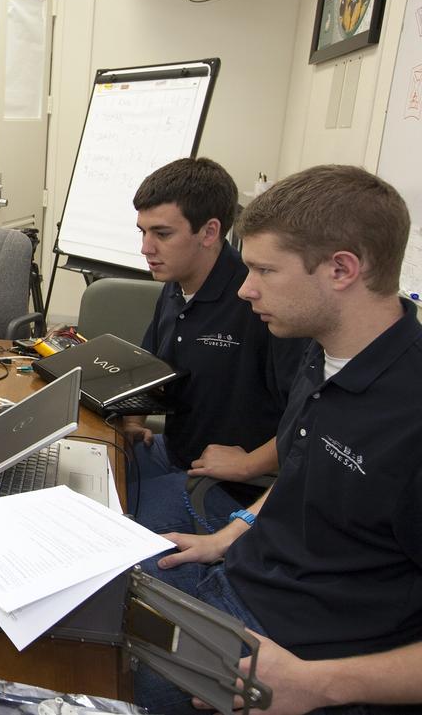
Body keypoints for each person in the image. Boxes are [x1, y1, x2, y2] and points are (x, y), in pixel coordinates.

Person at [135, 165, 422, 715]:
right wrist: (233, 532)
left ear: (341, 269)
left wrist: (319, 686)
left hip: (310, 661)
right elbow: (305, 470)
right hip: (242, 580)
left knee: (98, 679)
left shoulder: (409, 410)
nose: (245, 288)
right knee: (81, 607)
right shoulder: (324, 352)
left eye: (265, 269)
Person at [119, 158, 305, 531]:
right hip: (174, 455)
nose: (146, 248)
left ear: (209, 232)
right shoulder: (176, 283)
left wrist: (252, 463)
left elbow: (309, 420)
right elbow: (152, 366)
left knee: (111, 527)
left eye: (162, 234)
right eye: (142, 232)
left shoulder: (263, 303)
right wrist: (133, 422)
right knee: (74, 480)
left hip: (231, 488)